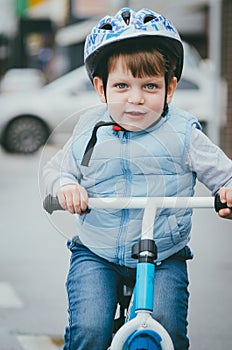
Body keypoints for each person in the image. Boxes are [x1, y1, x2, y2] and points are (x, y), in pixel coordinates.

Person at [43, 8, 232, 350]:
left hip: (163, 253)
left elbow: (225, 173)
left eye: (149, 85)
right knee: (89, 329)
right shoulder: (89, 130)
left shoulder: (183, 133)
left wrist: (228, 190)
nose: (135, 98)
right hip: (96, 253)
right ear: (101, 88)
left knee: (169, 328)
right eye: (121, 86)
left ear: (170, 88)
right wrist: (66, 186)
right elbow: (58, 168)